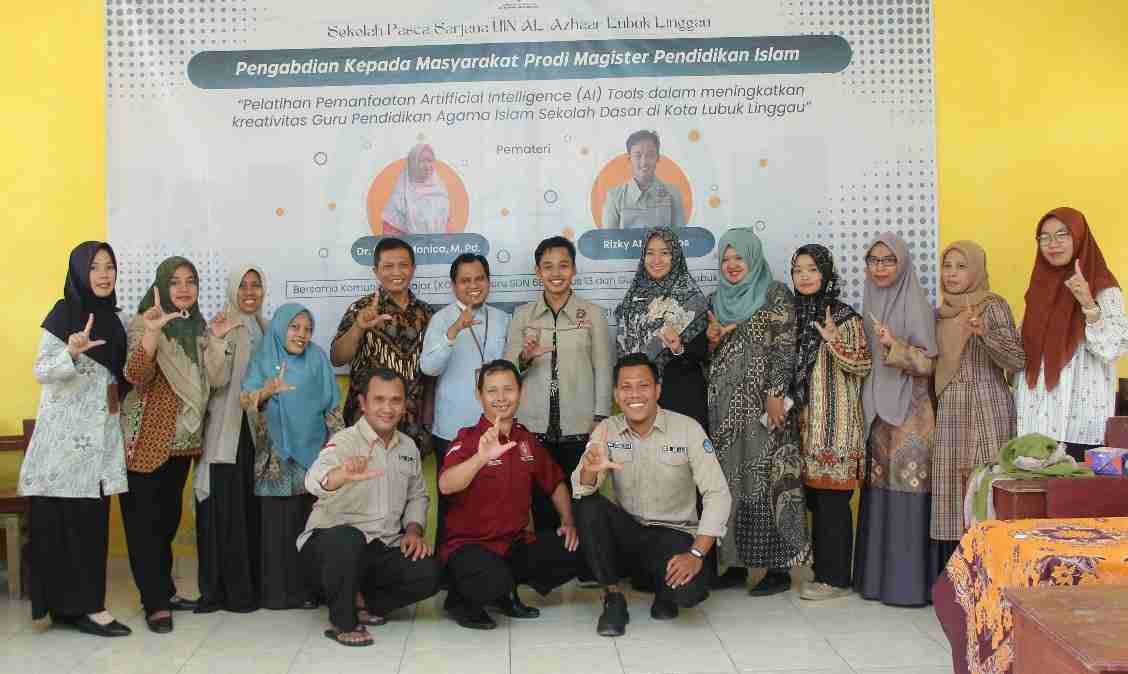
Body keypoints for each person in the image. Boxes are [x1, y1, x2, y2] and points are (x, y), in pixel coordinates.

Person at [573, 353, 732, 637]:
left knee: (690, 593)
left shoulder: (687, 429)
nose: (635, 394)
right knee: (588, 505)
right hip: (629, 533)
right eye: (626, 387)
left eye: (643, 385)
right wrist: (589, 469)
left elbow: (718, 494)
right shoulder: (607, 430)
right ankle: (613, 597)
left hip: (674, 534)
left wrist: (696, 553)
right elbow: (582, 487)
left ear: (658, 390)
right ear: (616, 394)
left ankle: (664, 590)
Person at [119, 256, 238, 633]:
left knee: (166, 522)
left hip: (183, 441)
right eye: (175, 282)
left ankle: (164, 591)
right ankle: (154, 603)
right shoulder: (145, 322)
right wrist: (153, 333)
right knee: (145, 526)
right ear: (161, 286)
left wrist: (217, 341)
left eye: (190, 281)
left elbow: (217, 380)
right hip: (146, 439)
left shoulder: (198, 325)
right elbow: (135, 374)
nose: (184, 289)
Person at [19, 242, 131, 637]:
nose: (104, 274)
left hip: (98, 440)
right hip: (62, 442)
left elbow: (118, 379)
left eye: (109, 266)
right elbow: (42, 370)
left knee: (89, 526)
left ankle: (89, 607)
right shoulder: (63, 312)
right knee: (57, 527)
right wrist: (70, 351)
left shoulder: (115, 321)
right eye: (95, 267)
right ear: (80, 272)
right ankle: (64, 608)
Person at [438, 360, 583, 630]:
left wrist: (568, 521)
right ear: (479, 395)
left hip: (513, 544)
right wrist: (481, 458)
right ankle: (460, 600)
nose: (501, 398)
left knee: (574, 549)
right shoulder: (468, 439)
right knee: (493, 577)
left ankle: (504, 590)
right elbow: (446, 484)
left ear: (520, 392)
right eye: (492, 391)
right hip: (470, 546)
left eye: (508, 389)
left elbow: (555, 483)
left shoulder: (525, 439)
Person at [300, 368, 441, 647]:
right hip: (330, 549)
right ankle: (344, 622)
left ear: (405, 405)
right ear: (363, 403)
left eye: (395, 400)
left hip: (379, 549)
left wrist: (413, 531)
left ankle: (362, 600)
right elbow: (313, 479)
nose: (387, 408)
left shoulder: (409, 448)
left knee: (430, 572)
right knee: (349, 539)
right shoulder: (344, 441)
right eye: (378, 400)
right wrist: (339, 475)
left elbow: (417, 496)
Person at [705, 228, 806, 595]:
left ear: (753, 257)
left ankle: (778, 569)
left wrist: (776, 392)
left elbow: (786, 346)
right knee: (729, 483)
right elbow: (708, 355)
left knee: (768, 481)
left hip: (765, 406)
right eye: (726, 259)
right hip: (726, 409)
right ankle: (734, 563)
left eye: (739, 257)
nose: (732, 265)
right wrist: (711, 341)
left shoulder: (774, 293)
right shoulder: (715, 300)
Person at [853, 233, 940, 607]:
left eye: (888, 260)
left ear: (901, 264)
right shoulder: (870, 298)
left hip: (911, 415)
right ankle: (876, 582)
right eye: (874, 260)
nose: (880, 268)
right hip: (878, 414)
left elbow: (928, 363)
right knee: (879, 491)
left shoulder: (915, 301)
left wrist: (895, 346)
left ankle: (907, 587)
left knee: (907, 492)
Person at [504, 236, 613, 531]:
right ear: (538, 271)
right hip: (533, 427)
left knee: (583, 501)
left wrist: (600, 418)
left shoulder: (592, 314)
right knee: (541, 504)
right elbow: (508, 373)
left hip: (581, 427)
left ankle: (584, 556)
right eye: (548, 266)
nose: (556, 273)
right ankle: (548, 557)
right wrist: (525, 358)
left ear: (574, 270)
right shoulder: (522, 316)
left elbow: (604, 369)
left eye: (563, 265)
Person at [241, 303, 343, 610]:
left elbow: (332, 407)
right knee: (276, 526)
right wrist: (267, 391)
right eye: (294, 327)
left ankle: (309, 591)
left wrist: (337, 449)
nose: (302, 334)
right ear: (280, 327)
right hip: (274, 456)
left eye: (308, 329)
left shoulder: (317, 358)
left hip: (313, 455)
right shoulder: (263, 358)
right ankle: (276, 594)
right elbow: (245, 399)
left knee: (308, 523)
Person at [788, 244, 872, 601]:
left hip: (835, 428)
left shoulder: (844, 317)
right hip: (803, 428)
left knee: (833, 503)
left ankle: (834, 579)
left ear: (825, 274)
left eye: (812, 269)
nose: (805, 276)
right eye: (798, 270)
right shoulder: (793, 316)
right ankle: (822, 572)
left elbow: (862, 365)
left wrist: (835, 341)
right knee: (814, 501)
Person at [933, 241, 1025, 564]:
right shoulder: (941, 313)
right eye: (947, 266)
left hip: (987, 406)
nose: (952, 274)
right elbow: (933, 362)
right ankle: (957, 578)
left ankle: (991, 572)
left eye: (961, 266)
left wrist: (984, 332)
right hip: (951, 407)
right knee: (952, 496)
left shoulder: (992, 306)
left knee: (986, 490)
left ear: (976, 270)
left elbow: (1016, 359)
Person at [1015, 207, 1127, 462]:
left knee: (1075, 487)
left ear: (1079, 237)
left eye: (1062, 234)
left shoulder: (1104, 289)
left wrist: (1087, 303)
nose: (1052, 244)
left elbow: (1112, 349)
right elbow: (1025, 354)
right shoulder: (1038, 291)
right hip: (1034, 423)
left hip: (1081, 424)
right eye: (1044, 237)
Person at [194, 265, 267, 614]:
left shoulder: (265, 327)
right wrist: (219, 340)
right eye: (243, 286)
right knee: (225, 516)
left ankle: (249, 590)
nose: (250, 292)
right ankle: (222, 593)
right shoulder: (220, 325)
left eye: (256, 285)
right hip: (227, 433)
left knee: (250, 515)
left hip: (255, 434)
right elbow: (216, 380)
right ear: (232, 290)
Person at [421, 253, 509, 538]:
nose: (473, 285)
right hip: (452, 429)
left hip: (494, 428)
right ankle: (447, 563)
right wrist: (455, 330)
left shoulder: (502, 319)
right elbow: (429, 367)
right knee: (452, 507)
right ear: (453, 285)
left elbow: (511, 371)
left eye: (479, 278)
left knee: (493, 505)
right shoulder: (441, 319)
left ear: (489, 281)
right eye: (465, 280)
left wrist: (526, 360)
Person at [331, 237, 433, 452]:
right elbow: (337, 358)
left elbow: (432, 374)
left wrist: (427, 420)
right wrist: (359, 326)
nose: (396, 272)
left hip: (412, 426)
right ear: (376, 271)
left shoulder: (427, 313)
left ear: (413, 269)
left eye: (403, 265)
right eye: (388, 266)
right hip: (365, 425)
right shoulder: (362, 308)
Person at [613, 227, 709, 429]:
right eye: (650, 253)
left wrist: (678, 348)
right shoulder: (632, 298)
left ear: (675, 256)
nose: (656, 260)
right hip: (638, 398)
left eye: (664, 253)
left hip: (680, 399)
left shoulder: (691, 299)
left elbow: (702, 352)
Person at [602, 130, 686, 229]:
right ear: (629, 159)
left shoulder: (673, 193)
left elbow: (680, 236)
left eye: (650, 155)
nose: (644, 162)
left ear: (658, 158)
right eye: (638, 156)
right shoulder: (614, 196)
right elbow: (608, 238)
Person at [381, 143, 451, 236]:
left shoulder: (441, 192)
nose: (427, 166)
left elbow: (448, 231)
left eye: (430, 161)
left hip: (438, 244)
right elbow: (390, 234)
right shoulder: (400, 196)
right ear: (412, 164)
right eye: (421, 161)